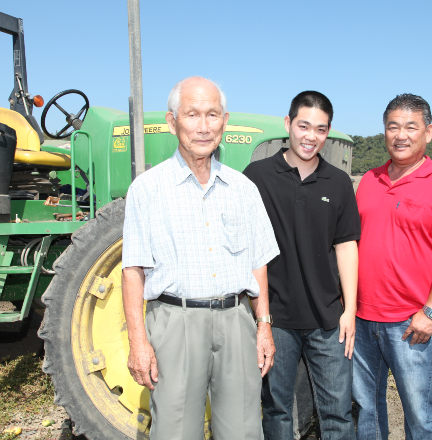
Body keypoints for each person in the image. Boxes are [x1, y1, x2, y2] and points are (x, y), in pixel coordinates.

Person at [121, 76, 279, 440]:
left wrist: (264, 326)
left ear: (225, 120)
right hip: (174, 323)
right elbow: (133, 271)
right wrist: (137, 342)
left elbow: (258, 264)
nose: (204, 127)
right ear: (172, 121)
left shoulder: (244, 189)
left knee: (243, 429)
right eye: (193, 115)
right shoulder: (147, 189)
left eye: (213, 115)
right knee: (175, 430)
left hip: (236, 322)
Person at [352, 93, 432, 440]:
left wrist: (431, 312)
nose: (400, 135)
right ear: (384, 132)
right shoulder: (369, 181)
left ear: (428, 132)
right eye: (393, 127)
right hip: (362, 321)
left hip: (410, 323)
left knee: (419, 415)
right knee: (366, 413)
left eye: (410, 127)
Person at [244, 91, 360, 440]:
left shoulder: (338, 182)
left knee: (337, 413)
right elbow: (247, 248)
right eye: (304, 126)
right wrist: (260, 318)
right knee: (276, 411)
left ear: (327, 132)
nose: (311, 136)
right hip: (275, 318)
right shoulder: (257, 176)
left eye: (321, 129)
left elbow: (346, 246)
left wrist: (350, 310)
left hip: (328, 320)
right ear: (288, 124)